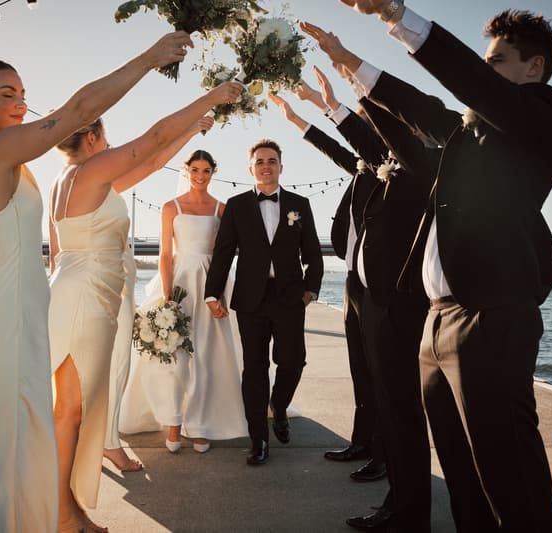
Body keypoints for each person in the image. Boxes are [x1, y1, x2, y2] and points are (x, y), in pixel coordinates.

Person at [0, 31, 195, 533]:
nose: (22, 105)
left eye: (24, 94)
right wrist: (150, 58)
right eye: (9, 94)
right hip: (0, 326)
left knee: (23, 441)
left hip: (14, 320)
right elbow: (77, 110)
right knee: (6, 451)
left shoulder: (1, 159)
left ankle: (61, 518)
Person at [334, 3, 552, 531]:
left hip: (488, 318)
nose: (486, 71)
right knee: (465, 477)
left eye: (498, 61)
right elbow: (422, 113)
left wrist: (395, 16)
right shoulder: (474, 137)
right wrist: (351, 64)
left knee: (509, 476)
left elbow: (474, 87)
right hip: (437, 320)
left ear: (533, 68)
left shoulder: (543, 119)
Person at [48, 84, 241, 531]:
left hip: (76, 289)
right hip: (90, 295)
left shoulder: (67, 179)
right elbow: (152, 153)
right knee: (72, 409)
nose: (112, 144)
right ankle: (62, 512)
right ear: (92, 138)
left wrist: (192, 126)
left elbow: (57, 252)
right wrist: (202, 109)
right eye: (106, 136)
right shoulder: (90, 174)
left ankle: (67, 508)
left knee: (71, 408)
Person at [270, 79, 387, 484]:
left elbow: (350, 143)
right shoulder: (362, 167)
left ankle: (383, 453)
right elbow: (335, 148)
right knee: (359, 367)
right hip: (355, 283)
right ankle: (362, 442)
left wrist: (326, 104)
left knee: (379, 372)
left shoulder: (388, 164)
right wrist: (296, 117)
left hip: (382, 288)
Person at [118, 150, 248, 452]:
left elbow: (223, 254)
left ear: (213, 172)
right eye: (194, 170)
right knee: (176, 356)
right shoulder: (170, 207)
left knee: (208, 355)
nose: (200, 177)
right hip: (180, 284)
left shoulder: (222, 208)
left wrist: (217, 293)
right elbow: (165, 254)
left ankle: (200, 424)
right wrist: (167, 297)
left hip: (211, 284)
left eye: (205, 171)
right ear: (186, 171)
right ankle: (174, 423)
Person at [204, 139, 324, 465]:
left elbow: (313, 252)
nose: (266, 166)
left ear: (281, 166)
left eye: (272, 161)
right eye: (260, 162)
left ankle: (280, 405)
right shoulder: (237, 205)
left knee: (292, 361)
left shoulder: (300, 204)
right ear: (251, 169)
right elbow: (224, 253)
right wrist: (213, 293)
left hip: (289, 297)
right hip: (250, 300)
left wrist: (310, 289)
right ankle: (258, 440)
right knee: (254, 371)